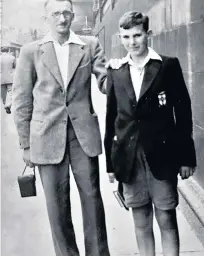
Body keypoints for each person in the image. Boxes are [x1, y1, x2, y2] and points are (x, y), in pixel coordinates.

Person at [12, 0, 110, 255]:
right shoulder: (31, 51)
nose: (62, 19)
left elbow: (105, 82)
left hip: (82, 137)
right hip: (45, 138)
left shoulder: (89, 46)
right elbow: (22, 100)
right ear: (47, 18)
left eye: (66, 13)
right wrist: (25, 144)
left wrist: (125, 73)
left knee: (92, 202)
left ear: (73, 15)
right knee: (57, 209)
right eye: (55, 13)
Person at [104, 11, 196, 256]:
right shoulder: (116, 71)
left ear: (148, 34)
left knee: (166, 217)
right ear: (120, 37)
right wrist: (111, 164)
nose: (132, 42)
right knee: (141, 219)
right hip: (129, 157)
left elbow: (183, 112)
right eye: (126, 36)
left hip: (162, 155)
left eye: (137, 35)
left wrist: (187, 158)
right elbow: (111, 119)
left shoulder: (167, 65)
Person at [1, 47, 16, 114]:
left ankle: (4, 104)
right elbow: (15, 67)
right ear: (8, 51)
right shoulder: (12, 58)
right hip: (10, 77)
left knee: (2, 93)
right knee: (11, 92)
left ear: (1, 51)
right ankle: (8, 105)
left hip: (1, 78)